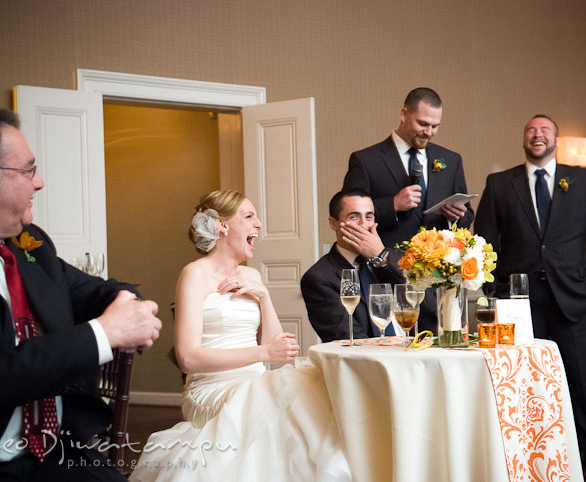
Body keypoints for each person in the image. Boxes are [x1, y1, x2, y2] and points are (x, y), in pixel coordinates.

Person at [0, 106, 162, 481]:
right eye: (28, 170)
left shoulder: (32, 247)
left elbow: (100, 290)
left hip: (59, 450)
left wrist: (126, 304)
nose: (39, 182)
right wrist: (106, 334)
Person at [130, 190, 350, 482]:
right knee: (277, 405)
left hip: (256, 382)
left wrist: (264, 296)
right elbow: (187, 358)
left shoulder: (253, 277)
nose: (258, 224)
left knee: (312, 395)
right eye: (249, 217)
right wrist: (262, 354)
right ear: (222, 225)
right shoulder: (195, 274)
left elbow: (273, 347)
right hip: (210, 388)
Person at [474, 114, 586, 474]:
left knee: (581, 376)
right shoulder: (500, 183)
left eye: (545, 131)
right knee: (521, 378)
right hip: (518, 300)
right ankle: (522, 447)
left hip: (574, 294)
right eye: (531, 130)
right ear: (524, 138)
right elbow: (485, 241)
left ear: (555, 139)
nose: (537, 135)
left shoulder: (584, 180)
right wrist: (494, 289)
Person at [342, 87, 474, 249]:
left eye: (435, 126)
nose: (429, 132)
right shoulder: (366, 160)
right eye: (423, 124)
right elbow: (349, 217)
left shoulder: (452, 160)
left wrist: (457, 216)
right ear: (404, 114)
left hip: (437, 266)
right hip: (384, 264)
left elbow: (467, 217)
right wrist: (393, 204)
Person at [301, 189, 436, 342]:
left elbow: (430, 306)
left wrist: (381, 256)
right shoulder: (319, 278)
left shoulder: (392, 258)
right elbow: (348, 339)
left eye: (369, 217)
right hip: (368, 362)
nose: (363, 225)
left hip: (417, 351)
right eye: (354, 217)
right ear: (333, 223)